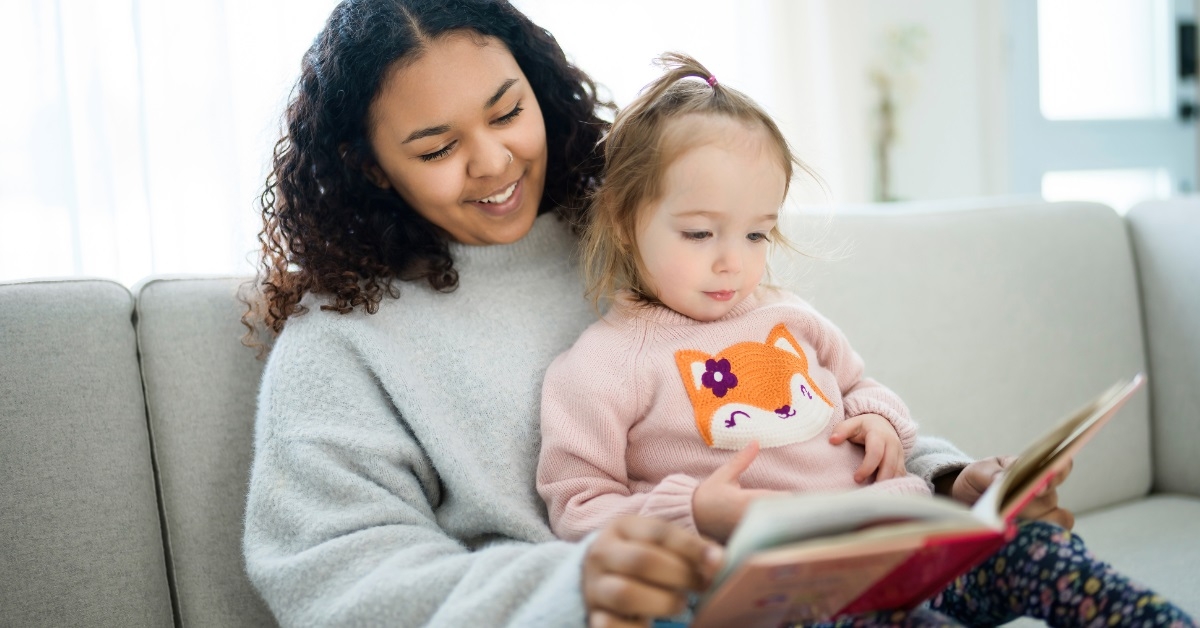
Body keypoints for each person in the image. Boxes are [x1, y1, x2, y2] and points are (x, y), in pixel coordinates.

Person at [240, 1, 1080, 626]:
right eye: (436, 148)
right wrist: (571, 587)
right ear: (370, 165)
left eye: (508, 111)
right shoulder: (343, 340)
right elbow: (335, 576)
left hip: (806, 573)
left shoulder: (647, 228)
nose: (494, 161)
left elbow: (809, 392)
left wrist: (944, 479)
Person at [535, 52, 1196, 628]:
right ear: (625, 221)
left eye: (757, 234)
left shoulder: (787, 315)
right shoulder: (600, 366)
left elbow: (857, 386)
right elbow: (577, 509)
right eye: (701, 234)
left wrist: (878, 420)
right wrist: (695, 510)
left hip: (904, 543)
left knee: (1044, 553)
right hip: (788, 593)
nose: (732, 261)